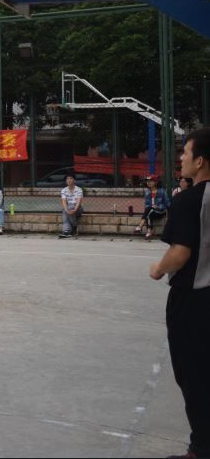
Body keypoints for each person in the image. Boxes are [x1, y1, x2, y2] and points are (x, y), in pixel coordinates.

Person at [149, 128, 210, 459]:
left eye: (185, 153)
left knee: (194, 374)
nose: (181, 159)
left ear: (200, 161)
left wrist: (158, 269)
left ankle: (201, 448)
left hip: (195, 300)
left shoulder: (188, 200)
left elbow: (180, 252)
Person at [135, 174, 170, 240]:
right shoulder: (147, 192)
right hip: (151, 211)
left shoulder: (162, 191)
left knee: (149, 210)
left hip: (161, 212)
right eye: (147, 181)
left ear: (156, 182)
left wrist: (159, 207)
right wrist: (152, 207)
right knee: (149, 212)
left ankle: (140, 226)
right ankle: (149, 232)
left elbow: (167, 203)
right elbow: (147, 204)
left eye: (151, 181)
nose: (148, 182)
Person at [59, 174, 84, 239]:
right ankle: (66, 231)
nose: (69, 180)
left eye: (71, 178)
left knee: (69, 207)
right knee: (65, 211)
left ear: (74, 180)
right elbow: (64, 201)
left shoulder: (79, 189)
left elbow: (79, 201)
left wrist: (75, 209)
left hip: (78, 209)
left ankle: (73, 227)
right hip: (68, 209)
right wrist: (66, 210)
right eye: (67, 179)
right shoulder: (63, 190)